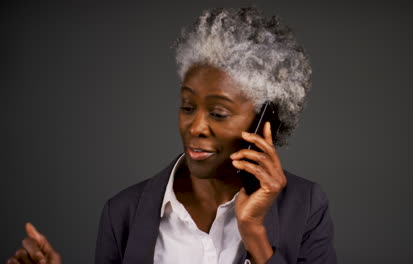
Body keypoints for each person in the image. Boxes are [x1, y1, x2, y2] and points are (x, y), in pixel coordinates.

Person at [7, 7, 337, 264]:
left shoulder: (305, 206)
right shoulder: (122, 213)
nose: (195, 127)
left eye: (218, 113)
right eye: (188, 106)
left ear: (265, 122)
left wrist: (255, 234)